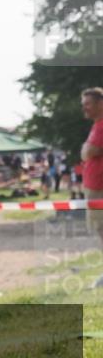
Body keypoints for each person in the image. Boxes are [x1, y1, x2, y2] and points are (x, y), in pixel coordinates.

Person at [80, 88, 103, 288]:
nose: (84, 108)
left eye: (88, 103)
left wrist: (87, 149)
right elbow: (87, 152)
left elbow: (90, 151)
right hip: (94, 187)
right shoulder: (96, 125)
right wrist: (87, 150)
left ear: (100, 104)